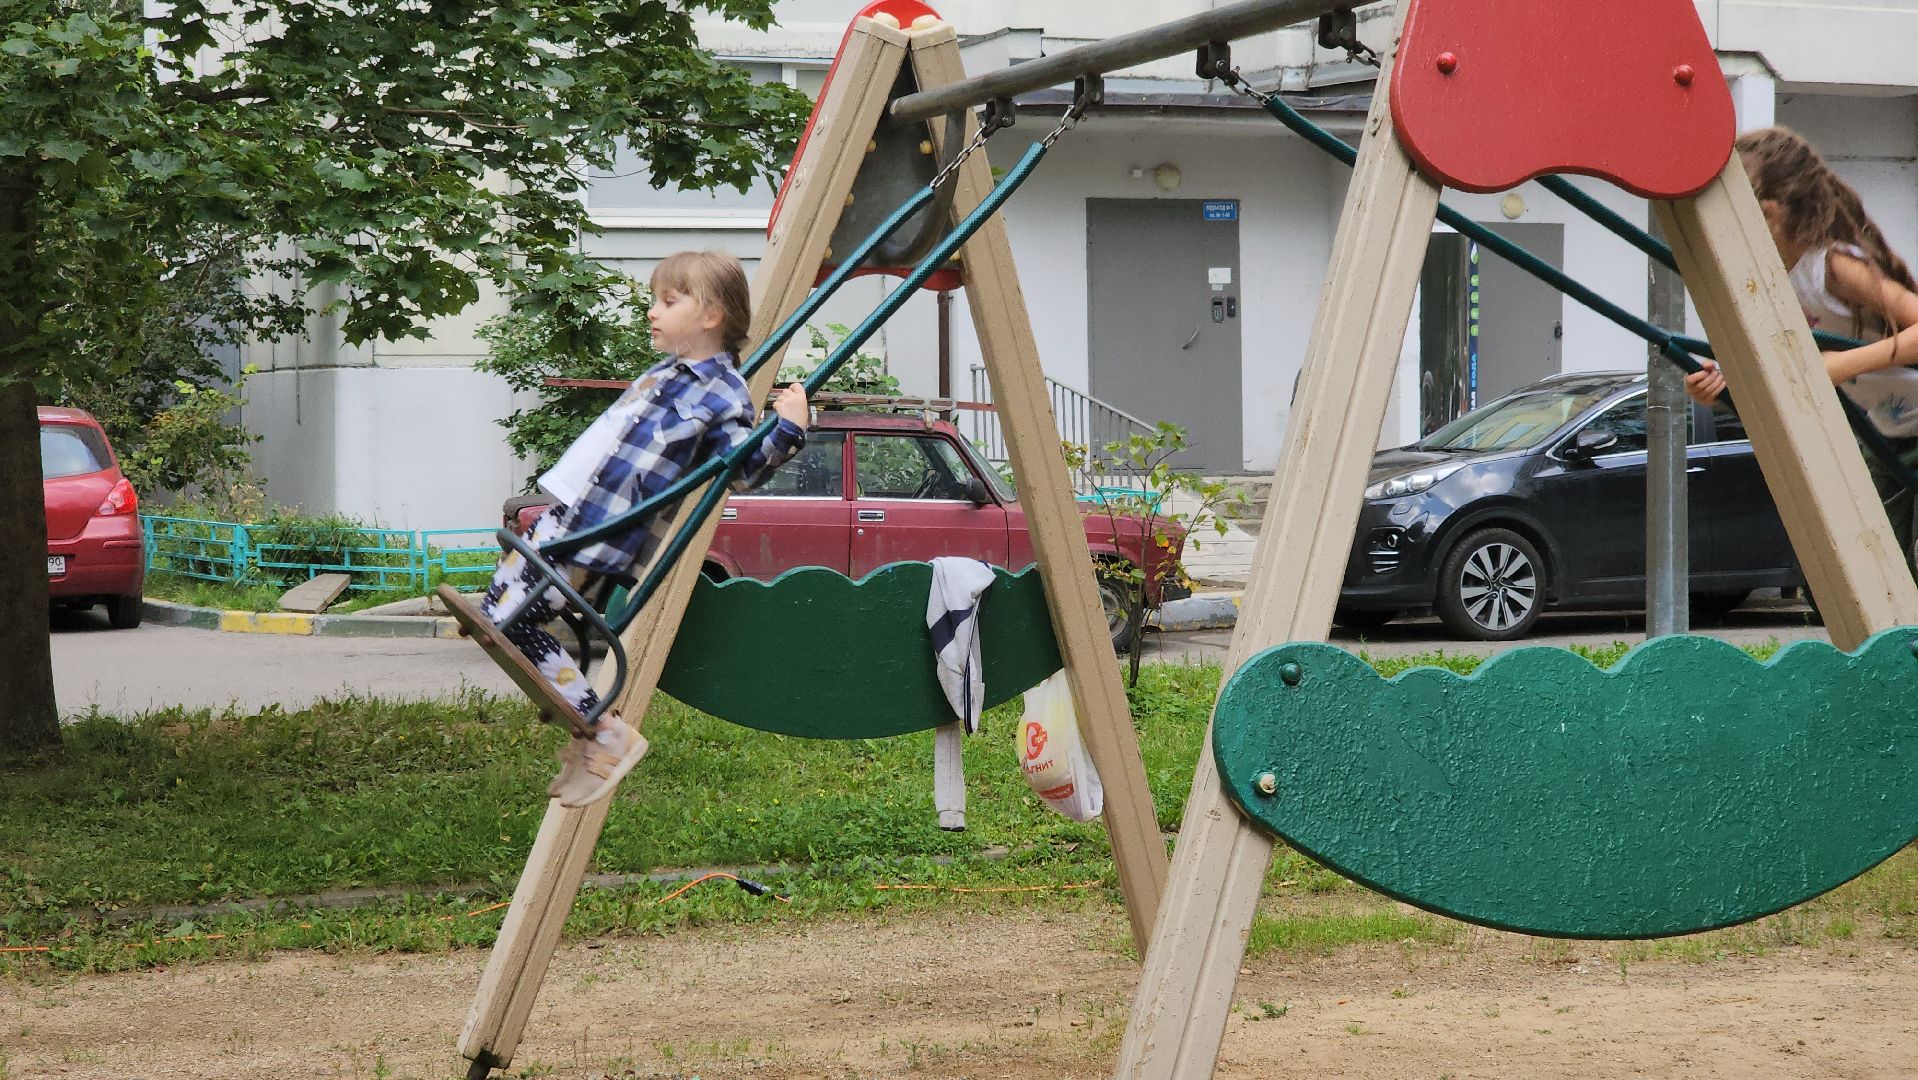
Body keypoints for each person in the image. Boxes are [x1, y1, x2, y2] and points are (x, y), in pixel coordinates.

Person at [482, 251, 810, 807]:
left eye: (668, 301)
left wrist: (790, 430)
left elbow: (740, 468)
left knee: (510, 621)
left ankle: (604, 733)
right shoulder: (663, 374)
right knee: (500, 618)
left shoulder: (724, 393)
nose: (652, 312)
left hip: (598, 532)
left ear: (711, 315)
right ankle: (590, 734)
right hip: (569, 510)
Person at [1685, 126, 1918, 574]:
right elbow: (1777, 355)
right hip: (1888, 433)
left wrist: (1843, 364)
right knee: (1884, 563)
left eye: (1756, 218)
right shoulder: (1778, 280)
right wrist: (1722, 377)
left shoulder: (1833, 266)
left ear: (1783, 210)